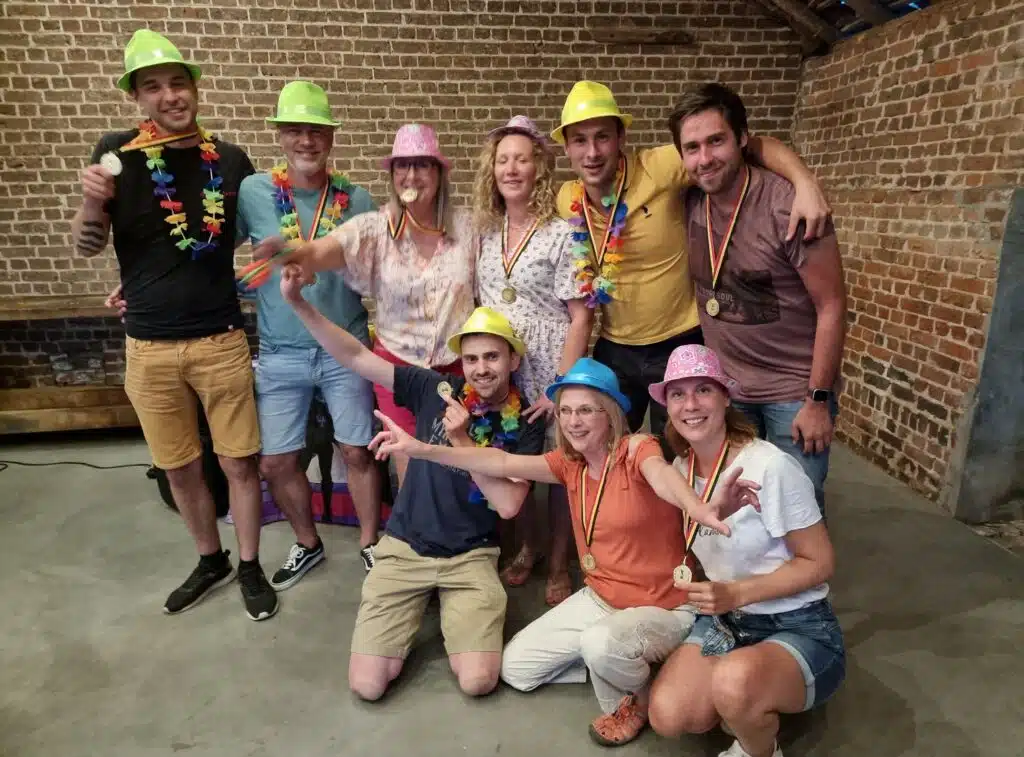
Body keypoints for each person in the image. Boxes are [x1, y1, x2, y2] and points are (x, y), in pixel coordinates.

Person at [369, 357, 762, 746]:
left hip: (666, 605)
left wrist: (697, 507)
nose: (574, 421)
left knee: (602, 644)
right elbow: (499, 461)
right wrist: (422, 449)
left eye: (586, 410)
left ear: (610, 414)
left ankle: (635, 698)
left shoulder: (637, 448)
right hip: (602, 598)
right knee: (517, 670)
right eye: (566, 411)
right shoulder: (568, 464)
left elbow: (661, 477)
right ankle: (621, 659)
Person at [71, 29, 277, 621]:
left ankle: (249, 564)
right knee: (179, 466)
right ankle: (210, 559)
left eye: (178, 82)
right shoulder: (117, 153)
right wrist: (92, 201)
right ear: (137, 97)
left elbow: (255, 245)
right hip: (148, 347)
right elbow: (88, 245)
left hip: (221, 339)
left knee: (239, 462)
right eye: (154, 86)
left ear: (195, 87)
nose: (170, 95)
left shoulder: (230, 160)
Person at [279, 270, 546, 700]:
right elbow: (355, 356)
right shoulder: (437, 390)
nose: (481, 369)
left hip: (471, 555)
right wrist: (298, 304)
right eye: (472, 359)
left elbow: (509, 505)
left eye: (492, 357)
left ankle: (449, 607)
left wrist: (461, 440)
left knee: (478, 681)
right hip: (405, 548)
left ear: (513, 361)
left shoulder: (526, 421)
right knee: (367, 685)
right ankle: (415, 603)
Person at [552, 80, 834, 439]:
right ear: (566, 147)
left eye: (602, 137)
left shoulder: (659, 166)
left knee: (681, 450)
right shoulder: (567, 199)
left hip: (679, 342)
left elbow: (754, 145)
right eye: (579, 140)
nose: (592, 152)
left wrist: (805, 182)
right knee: (605, 445)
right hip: (615, 347)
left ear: (621, 137)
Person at [644, 344, 844, 757]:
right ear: (667, 406)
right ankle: (748, 696)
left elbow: (821, 562)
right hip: (726, 622)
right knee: (669, 716)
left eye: (703, 390)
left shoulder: (770, 466)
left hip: (797, 622)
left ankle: (759, 744)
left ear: (726, 398)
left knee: (734, 686)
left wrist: (736, 593)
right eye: (678, 394)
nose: (690, 405)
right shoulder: (682, 470)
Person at [253, 123, 476, 487]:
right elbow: (325, 249)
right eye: (402, 166)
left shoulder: (467, 228)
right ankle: (412, 524)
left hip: (456, 369)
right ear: (392, 175)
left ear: (439, 173)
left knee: (460, 469)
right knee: (410, 470)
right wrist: (294, 252)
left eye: (422, 165)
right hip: (396, 371)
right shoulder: (374, 229)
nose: (411, 175)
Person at [668, 83, 847, 513]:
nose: (705, 158)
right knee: (739, 511)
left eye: (717, 141)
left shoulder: (789, 207)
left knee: (796, 510)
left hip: (792, 392)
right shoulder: (690, 200)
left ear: (742, 139)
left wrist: (817, 400)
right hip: (729, 389)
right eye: (692, 147)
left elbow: (832, 306)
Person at [236, 80, 383, 583]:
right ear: (279, 135)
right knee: (276, 463)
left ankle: (370, 543)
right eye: (294, 130)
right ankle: (307, 542)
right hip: (281, 351)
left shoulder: (357, 199)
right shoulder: (253, 192)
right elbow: (209, 250)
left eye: (316, 131)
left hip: (346, 348)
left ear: (331, 138)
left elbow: (376, 272)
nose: (306, 141)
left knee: (358, 451)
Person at [471, 115, 591, 606]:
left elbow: (581, 317)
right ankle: (529, 545)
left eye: (521, 159)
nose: (511, 169)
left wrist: (560, 386)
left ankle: (560, 561)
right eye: (503, 160)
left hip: (551, 364)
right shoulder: (485, 233)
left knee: (560, 468)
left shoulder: (564, 233)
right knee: (512, 461)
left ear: (538, 168)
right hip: (503, 370)